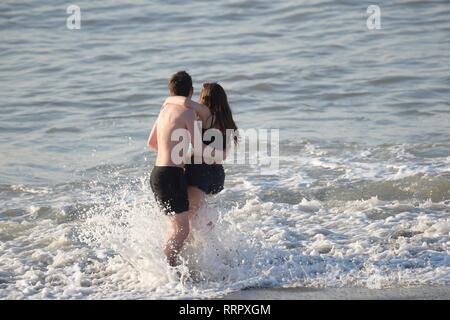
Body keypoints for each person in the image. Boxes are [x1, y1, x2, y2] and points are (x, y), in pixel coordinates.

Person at [147, 71, 224, 267]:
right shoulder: (188, 112)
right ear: (191, 91)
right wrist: (218, 155)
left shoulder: (164, 110)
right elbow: (197, 147)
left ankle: (176, 269)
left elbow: (152, 143)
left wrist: (172, 153)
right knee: (182, 230)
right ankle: (167, 270)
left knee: (177, 227)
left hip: (157, 173)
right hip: (172, 175)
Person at [164, 82, 238, 225]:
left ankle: (190, 246)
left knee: (188, 219)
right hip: (217, 175)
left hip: (199, 172)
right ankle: (213, 246)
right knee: (200, 216)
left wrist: (168, 100)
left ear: (205, 98)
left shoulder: (206, 114)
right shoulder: (227, 120)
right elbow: (224, 154)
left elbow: (185, 102)